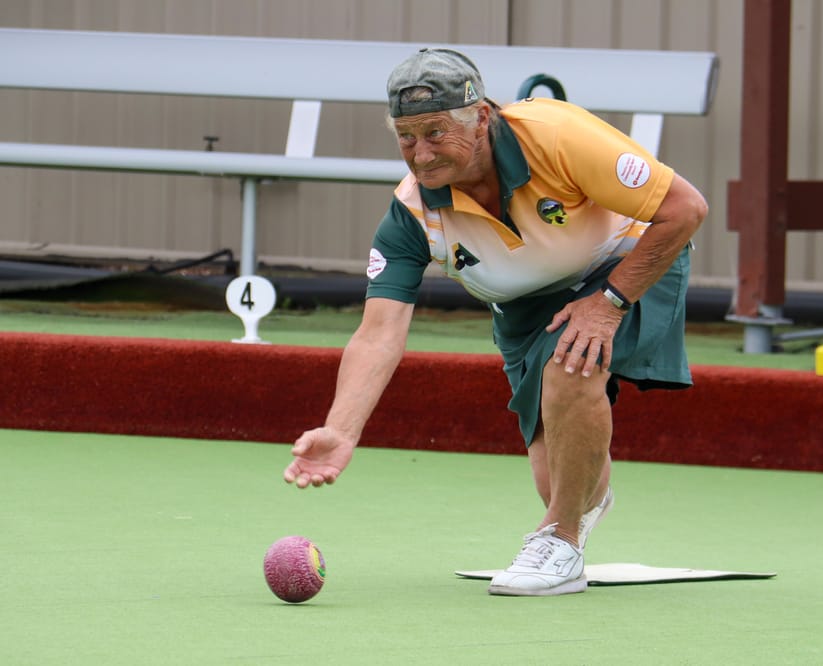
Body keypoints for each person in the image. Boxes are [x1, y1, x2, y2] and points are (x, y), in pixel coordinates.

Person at [284, 48, 708, 597]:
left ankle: (560, 540)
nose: (421, 154)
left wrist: (608, 304)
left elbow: (685, 208)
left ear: (482, 117)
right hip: (523, 308)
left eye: (435, 132)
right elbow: (378, 333)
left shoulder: (559, 136)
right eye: (406, 137)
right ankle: (578, 503)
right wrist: (341, 430)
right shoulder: (411, 214)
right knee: (561, 480)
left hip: (624, 265)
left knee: (571, 361)